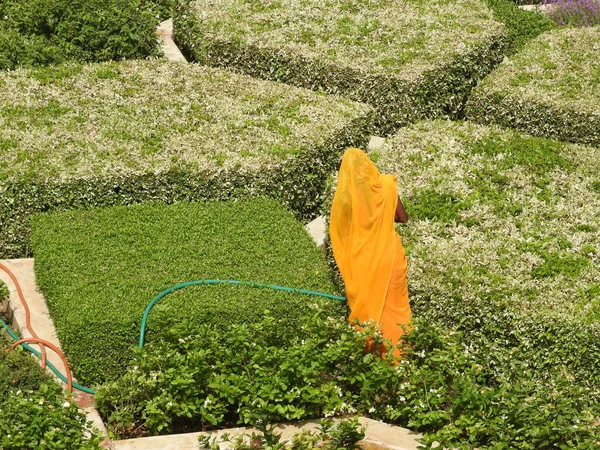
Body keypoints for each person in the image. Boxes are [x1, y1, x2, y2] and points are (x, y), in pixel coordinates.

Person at [329, 148, 411, 357]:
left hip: (362, 257)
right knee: (396, 307)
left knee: (370, 307)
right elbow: (403, 218)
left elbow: (342, 226)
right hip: (390, 256)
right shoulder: (385, 184)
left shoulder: (348, 196)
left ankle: (373, 356)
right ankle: (402, 355)